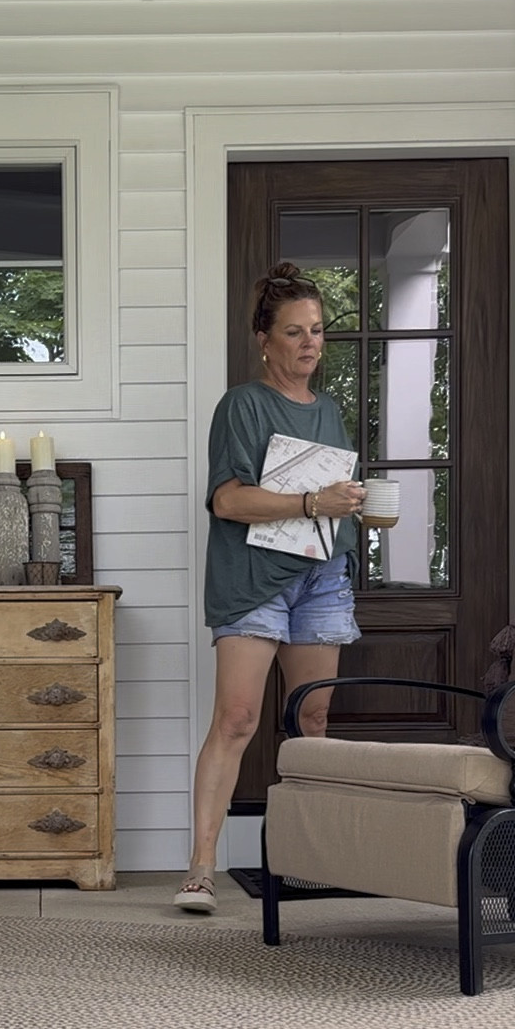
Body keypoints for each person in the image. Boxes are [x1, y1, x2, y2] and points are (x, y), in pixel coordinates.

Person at [176, 261, 365, 914]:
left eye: (317, 330)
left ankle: (311, 861)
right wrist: (316, 499)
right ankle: (200, 870)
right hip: (255, 581)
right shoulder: (243, 405)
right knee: (237, 719)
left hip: (321, 578)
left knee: (312, 721)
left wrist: (351, 505)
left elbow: (328, 499)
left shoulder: (332, 410)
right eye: (295, 331)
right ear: (264, 338)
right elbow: (228, 501)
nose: (310, 343)